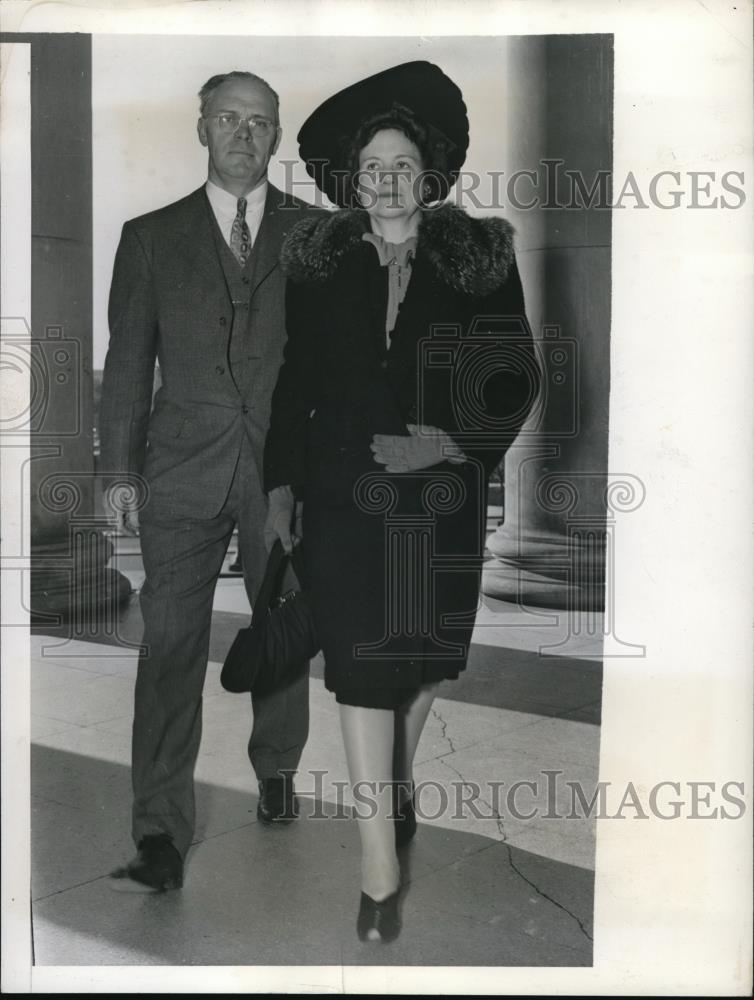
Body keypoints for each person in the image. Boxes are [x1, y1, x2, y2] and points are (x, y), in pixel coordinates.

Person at [263, 61, 540, 941]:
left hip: (440, 501)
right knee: (356, 666)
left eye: (401, 163)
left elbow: (515, 373)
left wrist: (451, 441)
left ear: (430, 175)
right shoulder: (318, 265)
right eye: (369, 165)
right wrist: (279, 485)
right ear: (351, 180)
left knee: (420, 665)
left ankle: (398, 771)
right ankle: (378, 868)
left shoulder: (481, 258)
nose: (385, 179)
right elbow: (291, 383)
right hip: (343, 499)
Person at [100, 70, 315, 892]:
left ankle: (277, 766)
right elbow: (127, 362)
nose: (242, 133)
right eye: (227, 118)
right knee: (169, 645)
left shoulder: (318, 234)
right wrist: (118, 469)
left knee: (282, 629)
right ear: (200, 129)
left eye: (259, 121)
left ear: (277, 135)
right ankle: (158, 829)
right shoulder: (150, 237)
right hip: (180, 472)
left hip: (283, 475)